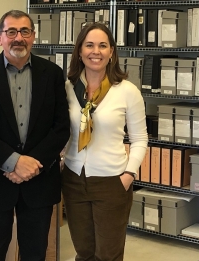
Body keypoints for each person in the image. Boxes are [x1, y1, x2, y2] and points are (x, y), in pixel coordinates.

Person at [0, 10, 70, 261]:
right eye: (11, 32)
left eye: (24, 31)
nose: (18, 38)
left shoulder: (53, 74)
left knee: (35, 254)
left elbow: (61, 127)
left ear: (33, 36)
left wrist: (30, 164)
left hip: (39, 179)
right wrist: (14, 162)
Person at [62, 22, 148, 261]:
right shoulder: (69, 87)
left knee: (107, 255)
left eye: (102, 45)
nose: (95, 51)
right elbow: (62, 130)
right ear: (80, 51)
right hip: (74, 179)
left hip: (112, 181)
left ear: (112, 52)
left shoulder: (127, 91)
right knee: (84, 252)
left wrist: (129, 174)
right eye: (89, 45)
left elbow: (140, 138)